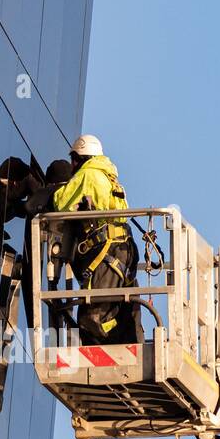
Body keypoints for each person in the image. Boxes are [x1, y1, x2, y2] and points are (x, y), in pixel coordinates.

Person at [51, 134, 141, 345]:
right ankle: (125, 341)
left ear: (80, 157)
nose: (72, 165)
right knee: (120, 307)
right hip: (123, 252)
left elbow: (61, 203)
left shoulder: (88, 174)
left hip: (107, 254)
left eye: (74, 160)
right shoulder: (110, 178)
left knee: (92, 317)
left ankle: (112, 344)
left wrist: (55, 189)